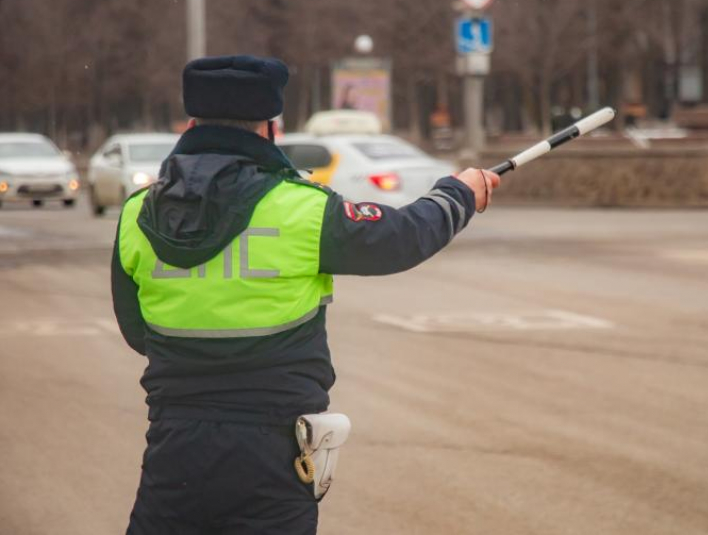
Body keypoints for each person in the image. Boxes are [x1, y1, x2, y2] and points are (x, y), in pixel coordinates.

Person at [111, 55, 500, 535]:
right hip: (271, 454)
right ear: (268, 129)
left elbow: (136, 330)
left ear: (191, 124)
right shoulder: (301, 207)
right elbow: (400, 239)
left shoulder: (135, 214)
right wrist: (459, 193)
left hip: (174, 449)